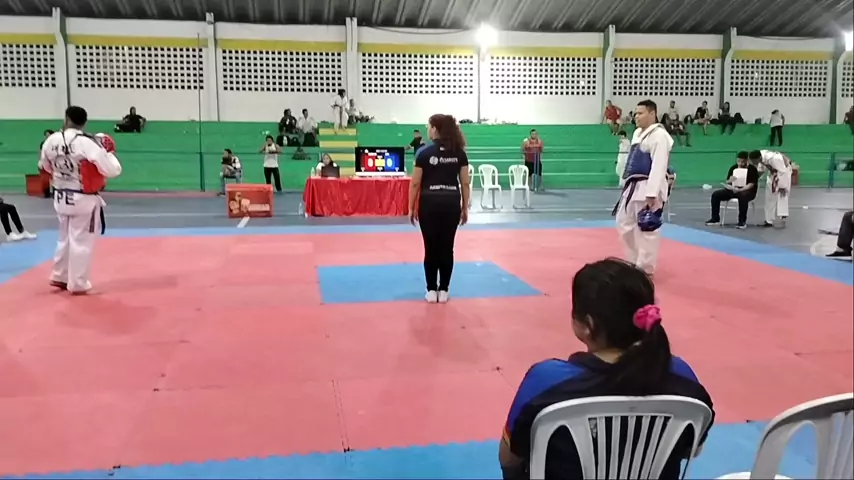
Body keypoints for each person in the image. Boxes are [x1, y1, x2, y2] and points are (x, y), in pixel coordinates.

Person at [499, 258, 715, 480]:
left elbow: (509, 459)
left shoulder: (546, 381)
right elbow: (691, 449)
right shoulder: (683, 376)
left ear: (588, 325)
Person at [39, 106, 122, 294]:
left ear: (66, 119)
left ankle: (59, 275)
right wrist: (108, 153)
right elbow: (112, 170)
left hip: (60, 196)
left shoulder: (51, 141)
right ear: (84, 122)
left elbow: (45, 166)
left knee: (64, 237)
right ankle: (78, 282)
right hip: (83, 197)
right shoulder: (86, 143)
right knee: (81, 240)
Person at [408, 114, 471, 304]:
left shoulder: (424, 153)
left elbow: (415, 183)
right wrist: (465, 207)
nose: (427, 129)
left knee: (431, 248)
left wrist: (411, 207)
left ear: (435, 129)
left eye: (428, 126)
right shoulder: (459, 153)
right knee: (447, 247)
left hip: (429, 204)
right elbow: (465, 183)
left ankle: (431, 290)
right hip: (451, 203)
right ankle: (444, 290)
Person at [613, 100, 673, 277]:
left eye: (640, 113)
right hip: (632, 185)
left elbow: (659, 165)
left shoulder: (660, 135)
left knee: (647, 228)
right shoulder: (637, 133)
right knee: (624, 223)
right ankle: (634, 261)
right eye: (635, 113)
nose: (636, 117)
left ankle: (645, 269)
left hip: (648, 185)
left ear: (652, 114)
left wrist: (652, 193)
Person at [705, 151, 759, 229]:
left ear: (747, 161)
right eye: (738, 161)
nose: (740, 163)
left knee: (743, 197)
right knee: (716, 195)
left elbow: (751, 184)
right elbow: (728, 182)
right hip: (734, 189)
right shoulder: (734, 168)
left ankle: (742, 222)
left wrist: (741, 190)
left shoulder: (752, 169)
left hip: (747, 191)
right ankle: (715, 219)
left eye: (742, 161)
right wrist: (730, 181)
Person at [748, 149, 792, 228]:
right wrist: (753, 179)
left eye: (754, 161)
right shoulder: (761, 157)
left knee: (782, 193)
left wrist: (782, 186)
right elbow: (761, 171)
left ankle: (783, 214)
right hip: (772, 172)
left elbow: (782, 172)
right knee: (769, 196)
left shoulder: (774, 159)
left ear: (758, 158)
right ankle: (769, 220)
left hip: (784, 171)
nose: (753, 163)